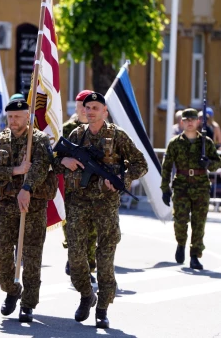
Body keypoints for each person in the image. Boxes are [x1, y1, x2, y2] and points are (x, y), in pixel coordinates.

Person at [53, 92, 147, 329]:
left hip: (105, 205)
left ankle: (103, 308)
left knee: (105, 258)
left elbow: (141, 164)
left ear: (105, 111)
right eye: (87, 107)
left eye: (96, 107)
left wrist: (121, 178)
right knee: (75, 257)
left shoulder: (117, 136)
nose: (90, 111)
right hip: (78, 205)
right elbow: (52, 160)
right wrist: (63, 162)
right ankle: (86, 295)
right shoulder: (76, 134)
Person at [0, 98, 57, 323]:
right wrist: (16, 170)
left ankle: (28, 304)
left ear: (28, 116)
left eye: (17, 116)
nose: (13, 120)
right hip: (6, 205)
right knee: (1, 253)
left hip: (33, 206)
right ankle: (12, 290)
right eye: (10, 117)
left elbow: (41, 167)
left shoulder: (39, 139)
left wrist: (27, 187)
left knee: (32, 256)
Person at [161, 108, 221, 271]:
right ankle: (181, 243)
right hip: (181, 185)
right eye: (186, 120)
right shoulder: (175, 143)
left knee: (198, 223)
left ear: (197, 122)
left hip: (201, 185)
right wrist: (165, 188)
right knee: (180, 220)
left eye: (192, 120)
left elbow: (217, 162)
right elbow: (166, 167)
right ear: (182, 122)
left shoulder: (206, 142)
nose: (189, 123)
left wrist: (208, 163)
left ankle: (195, 255)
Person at [61, 89, 97, 282]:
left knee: (92, 231)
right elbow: (52, 155)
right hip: (71, 189)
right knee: (73, 230)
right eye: (82, 105)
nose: (85, 110)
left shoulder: (100, 128)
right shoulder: (66, 129)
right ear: (76, 106)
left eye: (89, 106)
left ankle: (87, 268)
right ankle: (74, 259)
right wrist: (64, 160)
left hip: (94, 189)